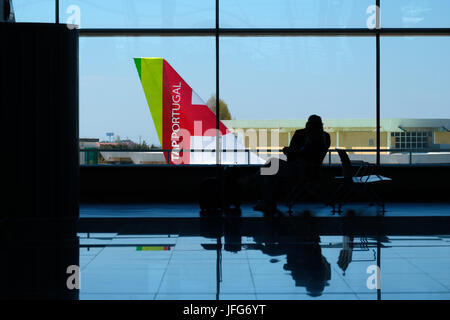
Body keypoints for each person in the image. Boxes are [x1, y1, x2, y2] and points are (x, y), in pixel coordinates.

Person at [253, 114, 331, 212]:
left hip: (299, 169)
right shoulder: (325, 137)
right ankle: (265, 197)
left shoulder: (302, 134)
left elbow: (299, 152)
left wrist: (292, 151)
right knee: (270, 170)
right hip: (312, 171)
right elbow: (311, 154)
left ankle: (263, 195)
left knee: (271, 167)